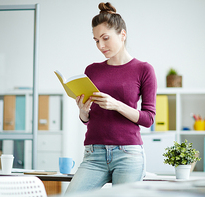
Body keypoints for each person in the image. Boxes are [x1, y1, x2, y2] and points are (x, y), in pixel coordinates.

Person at [65, 2, 157, 194]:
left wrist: (116, 105)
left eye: (105, 38)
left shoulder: (144, 69)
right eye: (96, 40)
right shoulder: (92, 70)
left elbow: (148, 119)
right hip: (94, 153)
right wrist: (83, 112)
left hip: (128, 154)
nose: (100, 45)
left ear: (122, 34)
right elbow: (87, 119)